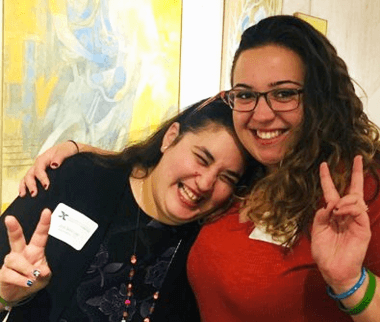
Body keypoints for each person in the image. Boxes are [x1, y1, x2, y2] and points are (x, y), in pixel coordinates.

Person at [17, 15, 380, 321]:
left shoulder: (358, 194)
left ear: (319, 96)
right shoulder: (250, 177)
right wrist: (81, 154)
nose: (262, 112)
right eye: (246, 94)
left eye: (284, 93)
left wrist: (352, 283)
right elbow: (176, 164)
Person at [0, 98, 258, 322]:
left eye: (226, 178)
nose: (205, 184)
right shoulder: (79, 178)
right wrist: (5, 296)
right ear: (170, 137)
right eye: (202, 158)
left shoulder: (204, 247)